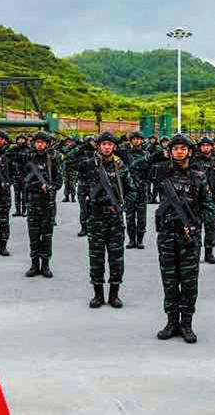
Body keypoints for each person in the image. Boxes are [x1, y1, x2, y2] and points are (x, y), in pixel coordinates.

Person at [152, 134, 215, 344]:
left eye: (183, 148)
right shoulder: (162, 172)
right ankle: (171, 322)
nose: (179, 151)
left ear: (189, 151)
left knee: (189, 283)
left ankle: (186, 324)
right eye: (175, 148)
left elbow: (209, 207)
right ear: (170, 152)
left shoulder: (199, 176)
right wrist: (157, 154)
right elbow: (136, 169)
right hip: (167, 236)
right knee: (169, 282)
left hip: (189, 238)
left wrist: (195, 224)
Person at [69, 132, 135, 308]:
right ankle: (98, 294)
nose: (107, 147)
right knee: (96, 257)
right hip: (96, 217)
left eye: (110, 144)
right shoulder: (89, 164)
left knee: (116, 258)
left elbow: (132, 190)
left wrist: (122, 206)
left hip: (115, 219)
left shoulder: (120, 166)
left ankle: (114, 295)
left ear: (114, 147)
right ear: (98, 146)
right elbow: (68, 162)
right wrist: (83, 147)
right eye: (103, 144)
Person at [23, 131, 63, 278]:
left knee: (46, 236)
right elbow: (22, 178)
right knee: (33, 235)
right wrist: (33, 186)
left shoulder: (52, 159)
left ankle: (45, 265)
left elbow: (59, 180)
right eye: (37, 142)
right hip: (33, 202)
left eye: (42, 142)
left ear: (47, 144)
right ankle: (34, 265)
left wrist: (51, 187)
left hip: (47, 203)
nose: (39, 144)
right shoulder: (28, 158)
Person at [192, 136, 215, 263]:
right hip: (196, 199)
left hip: (211, 199)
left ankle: (209, 253)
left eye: (208, 145)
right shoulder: (194, 161)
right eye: (203, 145)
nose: (205, 148)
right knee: (195, 228)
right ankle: (195, 253)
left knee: (210, 227)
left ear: (212, 147)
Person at [118, 131, 150, 249]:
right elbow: (114, 148)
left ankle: (140, 240)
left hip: (142, 189)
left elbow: (149, 170)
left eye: (138, 139)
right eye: (134, 139)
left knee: (141, 217)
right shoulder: (126, 153)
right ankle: (131, 240)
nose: (136, 141)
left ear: (141, 140)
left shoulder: (146, 154)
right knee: (129, 217)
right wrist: (121, 139)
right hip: (129, 190)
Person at [66, 135, 97, 237]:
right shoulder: (80, 153)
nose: (93, 144)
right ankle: (84, 227)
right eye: (91, 142)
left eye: (94, 141)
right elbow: (68, 159)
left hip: (96, 184)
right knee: (83, 208)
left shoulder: (98, 153)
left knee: (94, 207)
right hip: (83, 183)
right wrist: (79, 148)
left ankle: (93, 227)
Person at [8, 134, 30, 217]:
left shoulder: (28, 149)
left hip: (25, 175)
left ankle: (24, 210)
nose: (20, 141)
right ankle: (17, 210)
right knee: (17, 194)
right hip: (16, 174)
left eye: (22, 139)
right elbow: (7, 154)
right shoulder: (14, 149)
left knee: (25, 194)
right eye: (19, 139)